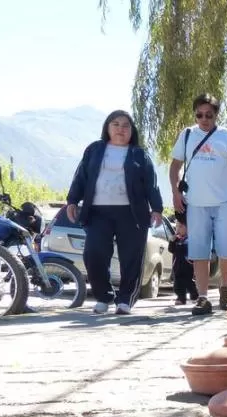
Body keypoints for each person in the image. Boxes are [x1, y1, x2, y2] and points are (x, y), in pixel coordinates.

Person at [66, 110, 163, 315]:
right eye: (116, 124)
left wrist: (157, 209)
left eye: (126, 125)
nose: (121, 129)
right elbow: (81, 176)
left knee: (131, 258)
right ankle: (103, 296)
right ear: (107, 128)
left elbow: (151, 184)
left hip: (131, 213)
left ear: (132, 130)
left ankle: (125, 299)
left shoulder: (139, 154)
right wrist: (72, 200)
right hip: (98, 212)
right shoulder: (95, 149)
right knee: (93, 254)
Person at [170, 93, 227, 316]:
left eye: (209, 115)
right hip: (197, 204)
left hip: (225, 202)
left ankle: (225, 288)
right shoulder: (187, 135)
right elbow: (175, 166)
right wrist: (175, 191)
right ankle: (203, 298)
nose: (204, 119)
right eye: (199, 115)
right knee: (199, 252)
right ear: (195, 115)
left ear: (216, 115)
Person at [168, 230, 198, 305]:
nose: (178, 230)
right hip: (177, 266)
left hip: (188, 266)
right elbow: (171, 250)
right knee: (178, 284)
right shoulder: (176, 240)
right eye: (177, 227)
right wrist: (172, 241)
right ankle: (181, 298)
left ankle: (194, 294)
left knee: (188, 282)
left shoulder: (189, 239)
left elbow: (189, 251)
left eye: (181, 227)